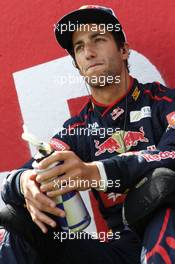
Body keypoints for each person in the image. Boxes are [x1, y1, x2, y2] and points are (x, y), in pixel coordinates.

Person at [1, 5, 175, 264]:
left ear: (124, 49)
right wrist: (24, 181)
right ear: (77, 65)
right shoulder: (77, 129)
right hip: (117, 249)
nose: (89, 52)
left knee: (163, 183)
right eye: (80, 47)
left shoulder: (164, 102)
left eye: (99, 40)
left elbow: (171, 154)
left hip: (163, 230)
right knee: (17, 218)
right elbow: (35, 167)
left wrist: (95, 172)